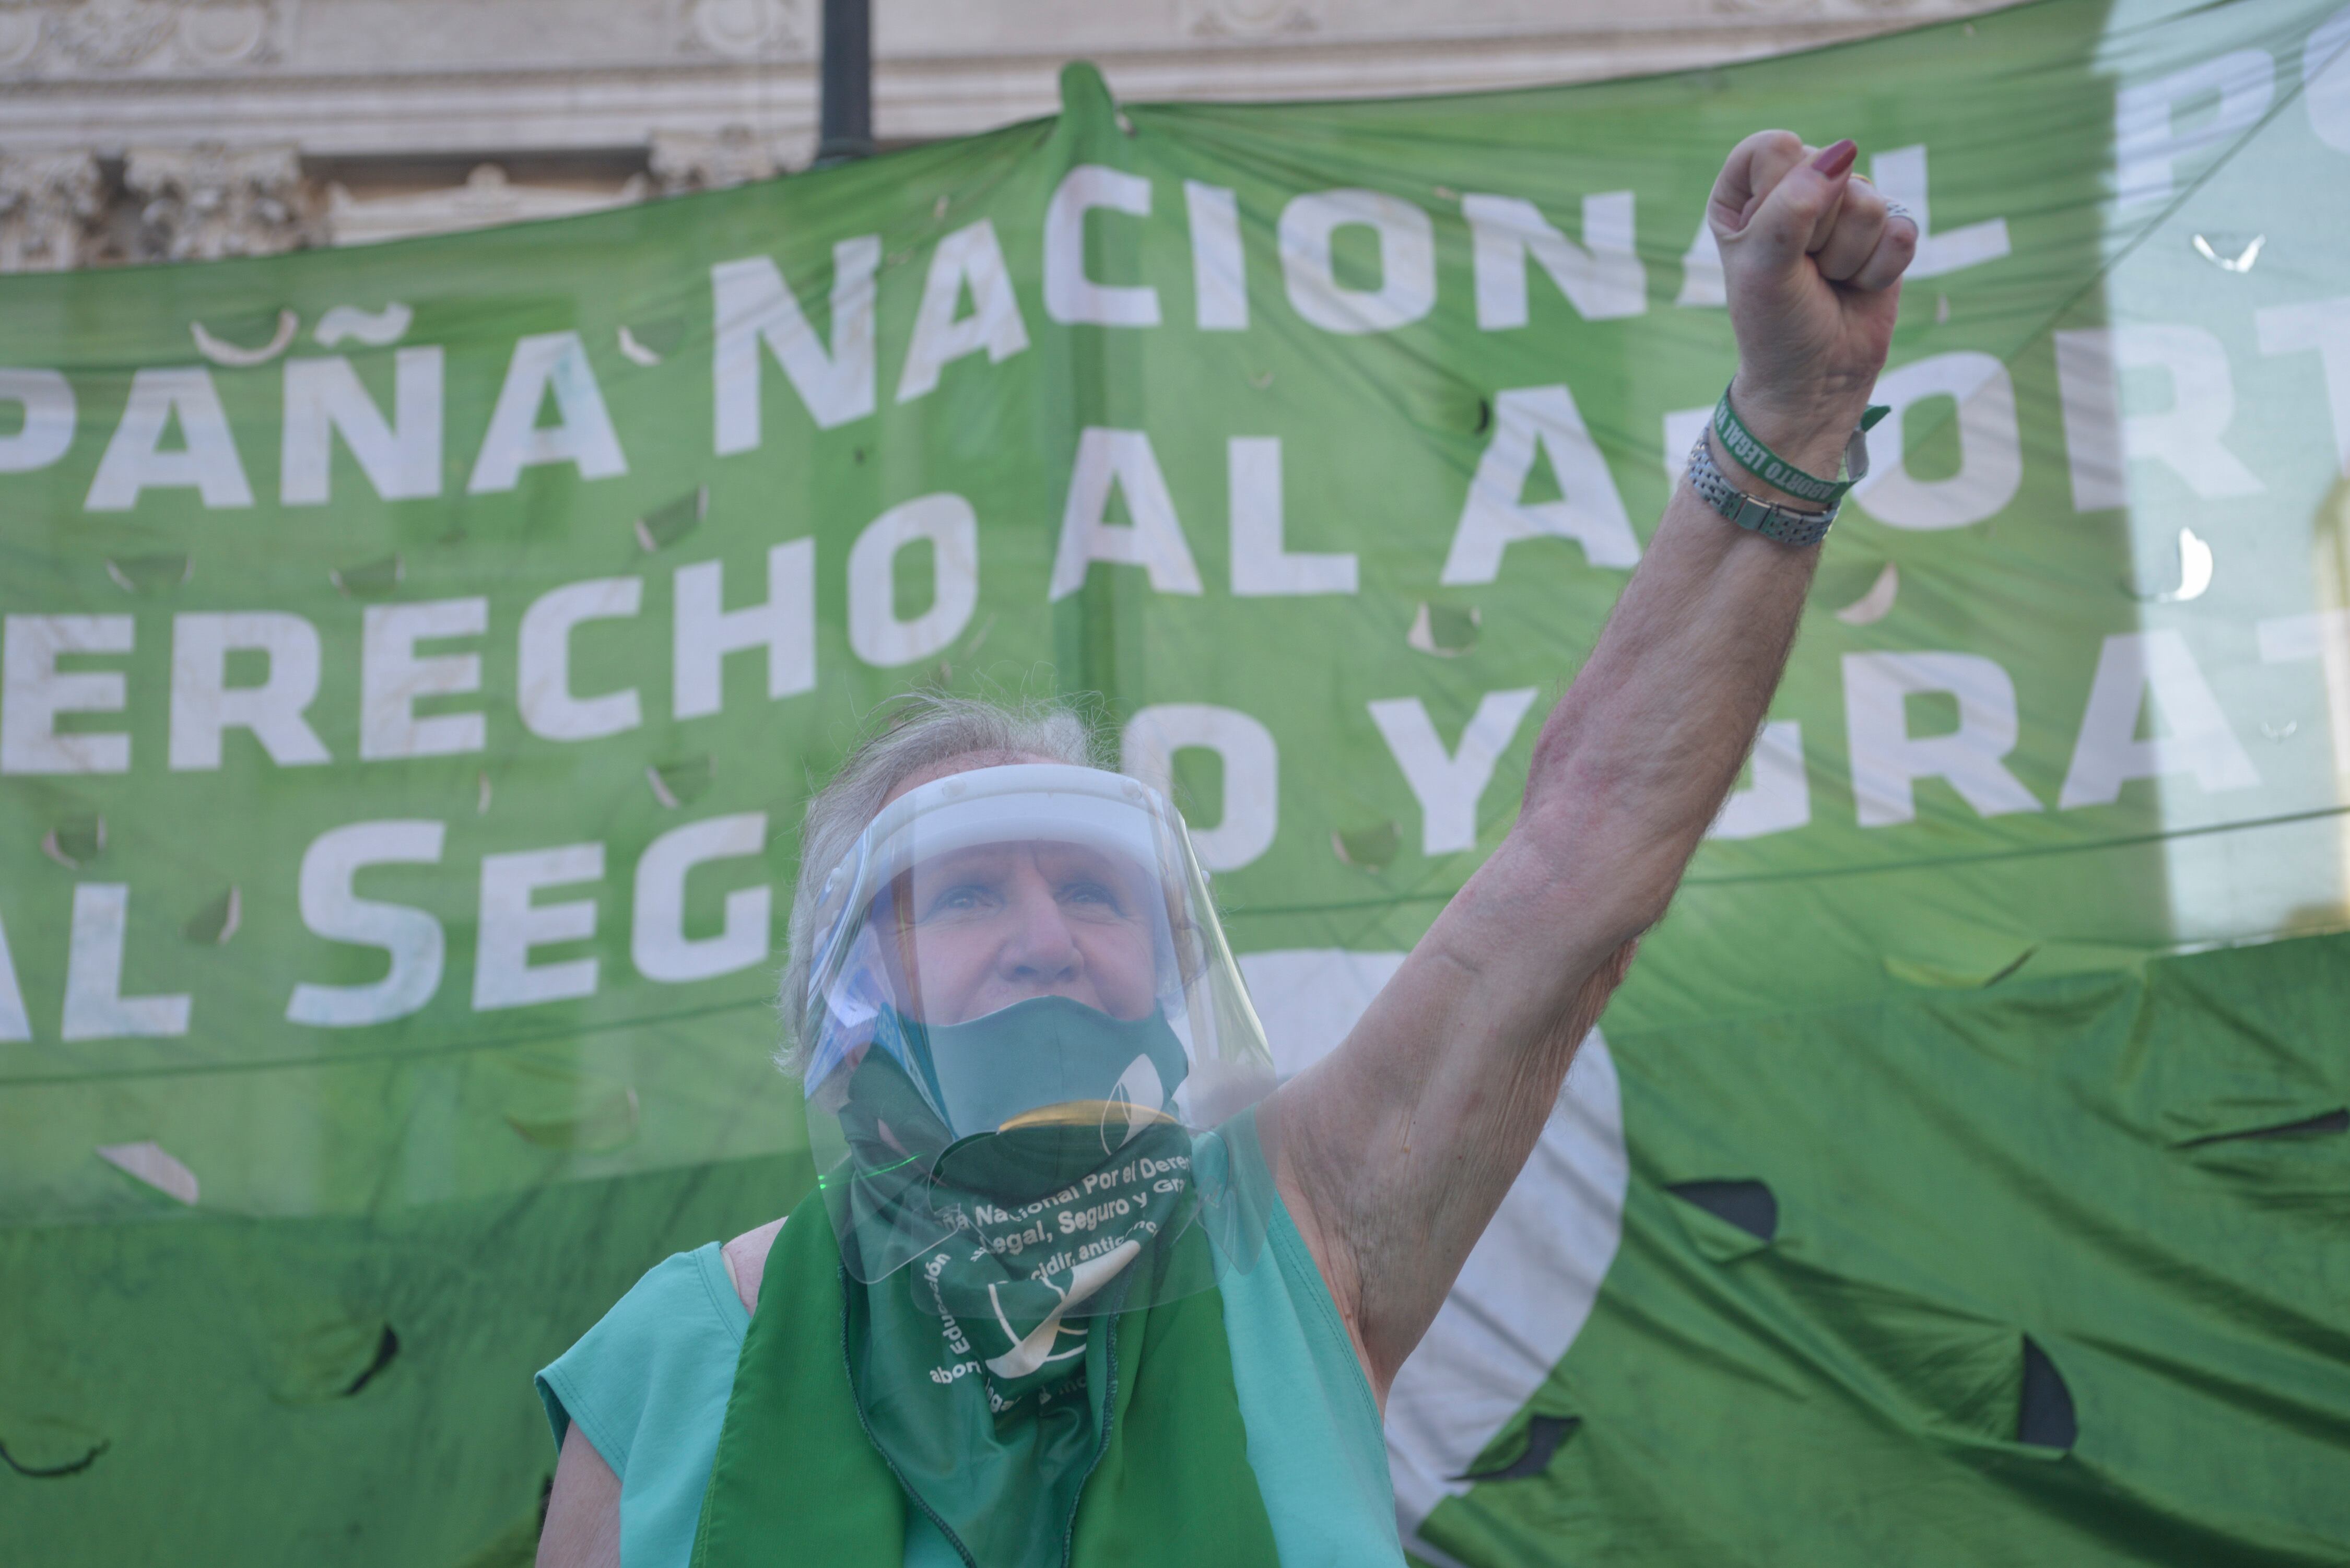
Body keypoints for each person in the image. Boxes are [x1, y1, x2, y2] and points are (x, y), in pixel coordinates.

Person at [534, 130, 1917, 1568]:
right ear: (850, 987)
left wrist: (1791, 410)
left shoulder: (1299, 1226)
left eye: (1089, 887)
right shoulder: (669, 1356)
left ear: (1161, 968)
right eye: (963, 891)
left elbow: (1579, 862)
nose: (1042, 931)